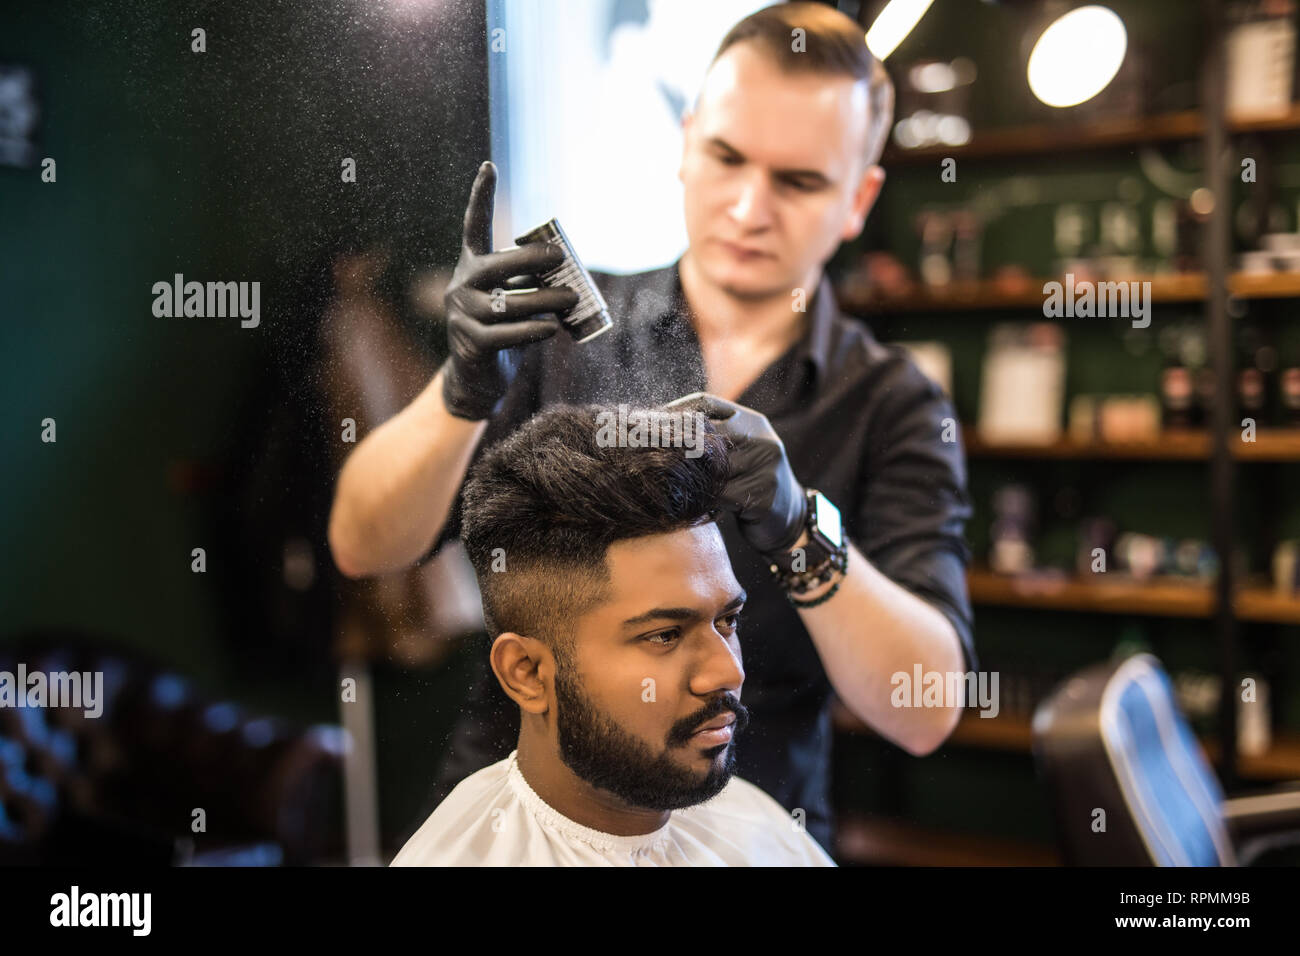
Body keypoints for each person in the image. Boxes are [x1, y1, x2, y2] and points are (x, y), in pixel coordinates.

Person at [331, 3, 976, 854]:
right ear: (685, 143)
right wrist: (459, 395)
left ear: (858, 198)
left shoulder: (893, 405)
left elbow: (925, 710)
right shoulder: (566, 337)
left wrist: (798, 527)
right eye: (727, 157)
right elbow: (363, 546)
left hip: (750, 832)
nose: (749, 206)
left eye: (799, 180)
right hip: (523, 830)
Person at [390, 404, 834, 866]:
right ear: (527, 673)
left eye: (728, 621)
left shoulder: (749, 820)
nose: (728, 671)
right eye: (664, 636)